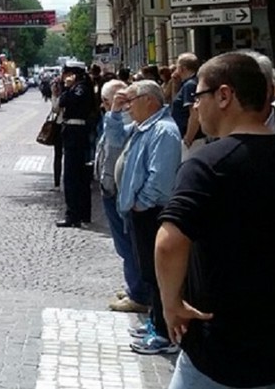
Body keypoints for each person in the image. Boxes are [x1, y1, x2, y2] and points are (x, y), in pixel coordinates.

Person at [156, 52, 275, 388]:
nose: (194, 107)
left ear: (224, 95)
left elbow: (168, 242)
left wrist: (171, 304)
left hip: (218, 349)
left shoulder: (205, 164)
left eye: (198, 96)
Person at [104, 80, 181, 354]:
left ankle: (164, 335)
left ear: (149, 100)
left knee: (158, 274)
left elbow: (160, 177)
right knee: (149, 273)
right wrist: (114, 111)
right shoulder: (142, 126)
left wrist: (141, 203)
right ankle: (156, 323)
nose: (128, 106)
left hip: (151, 213)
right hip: (140, 212)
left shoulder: (163, 131)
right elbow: (114, 138)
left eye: (131, 101)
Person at [96, 79, 149, 314]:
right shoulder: (118, 118)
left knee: (128, 245)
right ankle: (133, 287)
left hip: (120, 190)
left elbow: (116, 143)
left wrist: (116, 112)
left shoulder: (128, 118)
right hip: (113, 187)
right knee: (124, 244)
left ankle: (138, 294)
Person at [55, 62, 95, 227]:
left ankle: (73, 215)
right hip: (76, 133)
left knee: (72, 177)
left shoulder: (80, 89)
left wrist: (66, 88)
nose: (64, 77)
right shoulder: (83, 87)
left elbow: (64, 102)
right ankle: (83, 213)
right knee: (81, 177)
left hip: (76, 134)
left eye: (67, 73)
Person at [171, 53, 204, 160]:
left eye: (177, 67)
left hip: (192, 140)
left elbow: (194, 114)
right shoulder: (190, 83)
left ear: (182, 68)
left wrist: (188, 139)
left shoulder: (190, 85)